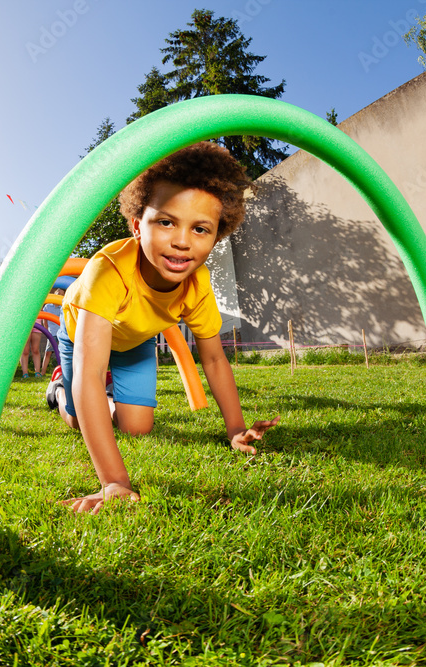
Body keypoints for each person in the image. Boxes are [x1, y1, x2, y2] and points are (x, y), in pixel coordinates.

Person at [45, 142, 280, 514]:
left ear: (217, 236)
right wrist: (114, 482)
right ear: (138, 225)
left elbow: (215, 360)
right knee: (77, 415)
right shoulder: (107, 271)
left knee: (137, 427)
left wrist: (235, 429)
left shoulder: (197, 285)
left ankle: (103, 399)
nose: (182, 241)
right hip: (81, 335)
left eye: (201, 229)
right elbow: (89, 375)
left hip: (134, 340)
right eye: (166, 221)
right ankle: (57, 390)